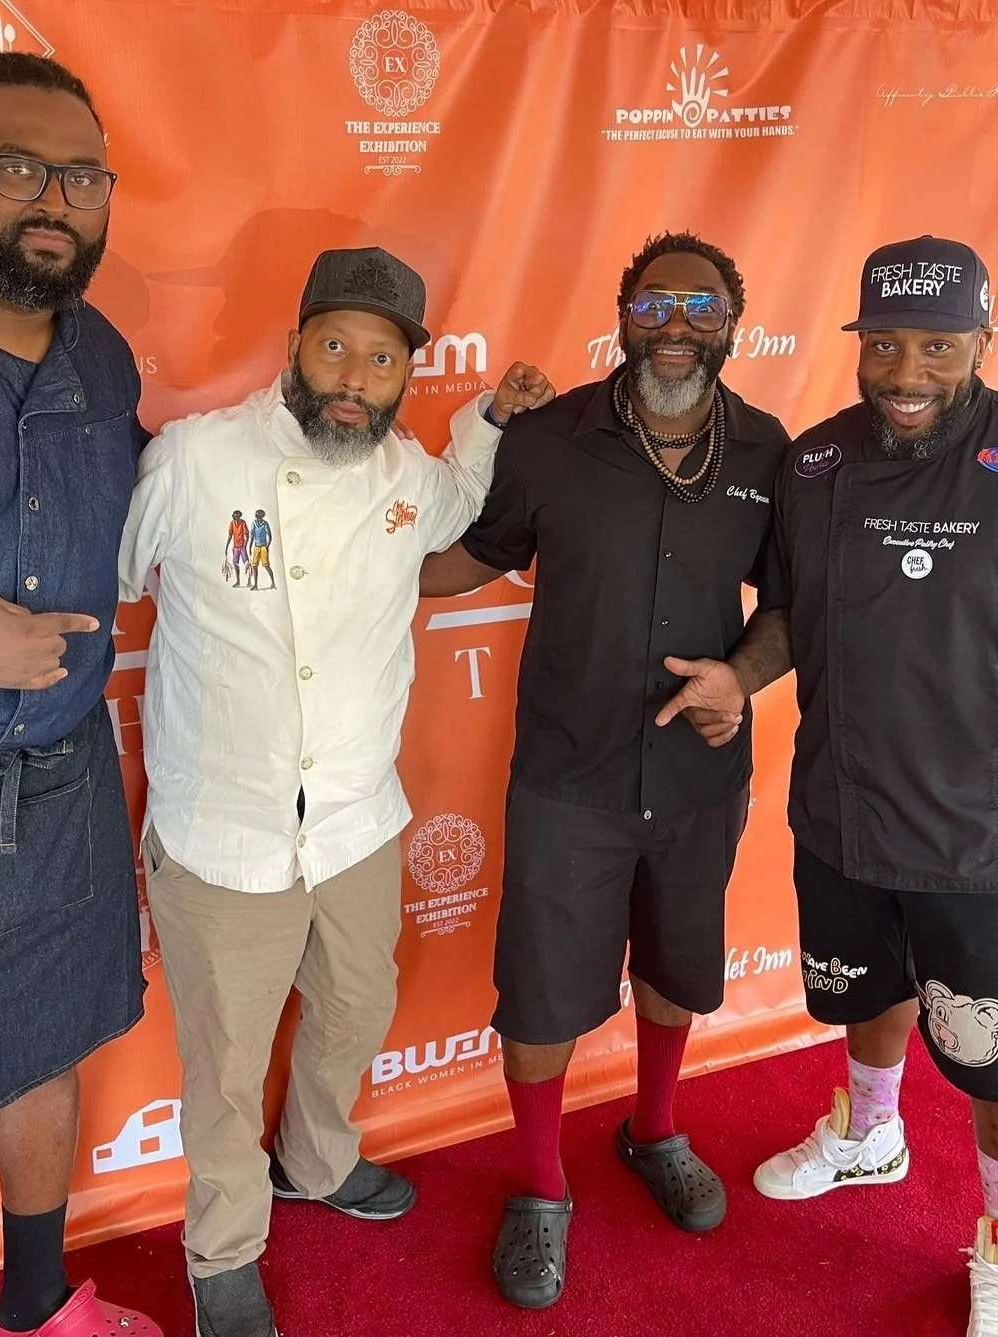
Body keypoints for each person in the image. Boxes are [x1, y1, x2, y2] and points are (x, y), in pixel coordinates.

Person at [118, 245, 554, 1337]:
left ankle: (316, 1162)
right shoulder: (195, 461)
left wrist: (492, 419)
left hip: (357, 820)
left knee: (356, 1008)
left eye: (383, 359)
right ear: (296, 347)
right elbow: (107, 569)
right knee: (226, 1068)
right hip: (225, 834)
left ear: (407, 373)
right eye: (336, 348)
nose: (356, 378)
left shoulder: (406, 473)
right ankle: (223, 1252)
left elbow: (461, 499)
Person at [419, 231, 790, 1308]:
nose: (677, 322)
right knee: (541, 995)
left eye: (702, 306)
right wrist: (340, 561)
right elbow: (467, 558)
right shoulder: (550, 439)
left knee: (675, 966)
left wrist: (740, 678)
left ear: (732, 324)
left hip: (698, 779)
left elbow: (791, 606)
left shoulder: (767, 450)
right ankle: (540, 1187)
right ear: (623, 312)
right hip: (567, 779)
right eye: (656, 301)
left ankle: (654, 1129)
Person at [656, 235, 998, 1335]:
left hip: (977, 837)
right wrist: (738, 675)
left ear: (983, 340)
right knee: (865, 993)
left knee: (992, 1064)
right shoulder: (816, 464)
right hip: (842, 810)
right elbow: (791, 614)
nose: (906, 373)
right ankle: (872, 1131)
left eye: (937, 347)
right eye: (885, 345)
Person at [0, 53, 160, 1337]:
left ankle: (35, 1304)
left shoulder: (103, 359)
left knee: (44, 1042)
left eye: (81, 176)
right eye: (18, 166)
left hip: (62, 774)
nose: (54, 199)